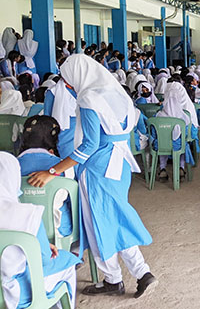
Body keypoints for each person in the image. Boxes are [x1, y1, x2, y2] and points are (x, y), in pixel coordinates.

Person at [27, 54, 156, 298]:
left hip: (99, 167)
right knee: (114, 219)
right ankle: (138, 273)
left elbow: (88, 145)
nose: (68, 86)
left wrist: (51, 172)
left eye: (67, 81)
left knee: (98, 223)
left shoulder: (88, 98)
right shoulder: (117, 93)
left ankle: (118, 278)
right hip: (121, 164)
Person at [0, 152, 80, 309]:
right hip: (15, 294)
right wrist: (37, 245)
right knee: (67, 263)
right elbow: (44, 260)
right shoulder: (27, 214)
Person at [17, 116, 73, 238]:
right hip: (58, 230)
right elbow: (72, 202)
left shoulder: (10, 166)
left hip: (20, 229)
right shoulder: (65, 167)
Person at [154, 82, 198, 182]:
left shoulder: (158, 115)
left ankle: (162, 168)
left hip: (159, 145)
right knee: (183, 143)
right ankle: (181, 167)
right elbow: (187, 134)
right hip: (178, 146)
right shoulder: (184, 117)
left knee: (161, 142)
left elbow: (153, 132)